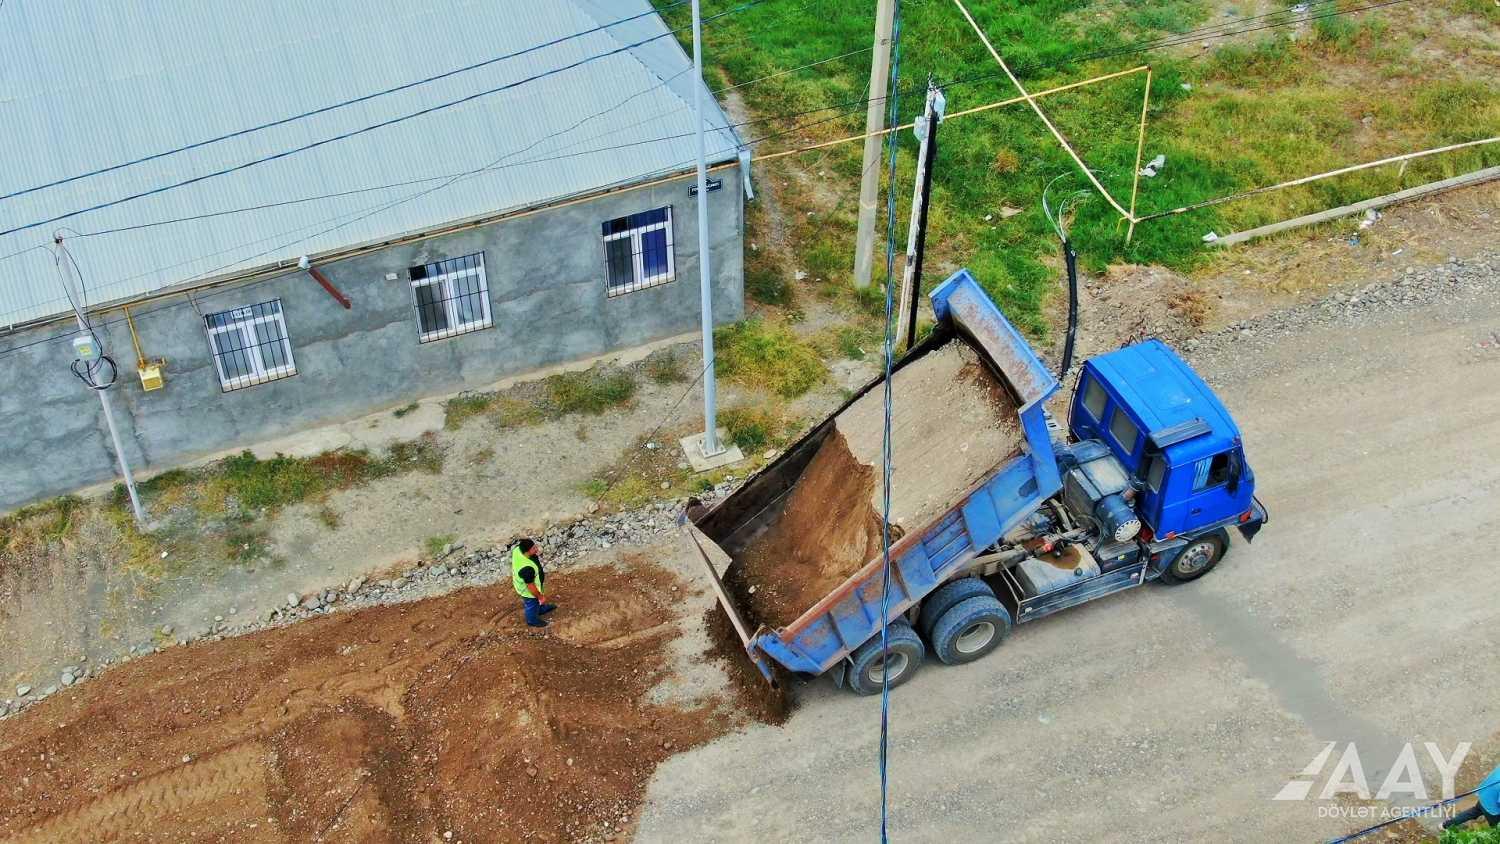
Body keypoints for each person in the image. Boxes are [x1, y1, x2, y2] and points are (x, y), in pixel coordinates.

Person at [511, 538, 556, 628]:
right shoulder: (526, 569)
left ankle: (540, 609)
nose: (537, 550)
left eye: (535, 546)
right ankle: (532, 620)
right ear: (526, 552)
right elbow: (531, 587)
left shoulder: (517, 549)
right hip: (528, 592)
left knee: (536, 603)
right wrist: (540, 597)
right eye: (533, 549)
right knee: (532, 604)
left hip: (530, 583)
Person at [1443, 763, 1500, 830]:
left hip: (1483, 798)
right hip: (1492, 809)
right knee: (1496, 828)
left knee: (1472, 812)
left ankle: (1445, 825)